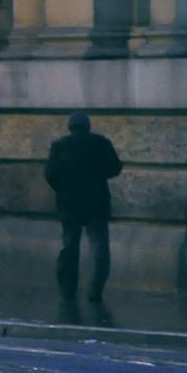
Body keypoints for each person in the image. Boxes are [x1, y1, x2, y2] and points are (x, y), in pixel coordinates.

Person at [45, 110, 122, 303]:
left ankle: (68, 290)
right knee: (99, 250)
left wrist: (62, 188)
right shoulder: (101, 143)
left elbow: (50, 174)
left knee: (70, 248)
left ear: (70, 127)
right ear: (88, 126)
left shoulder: (60, 146)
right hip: (97, 203)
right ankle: (95, 290)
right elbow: (115, 168)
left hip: (69, 205)